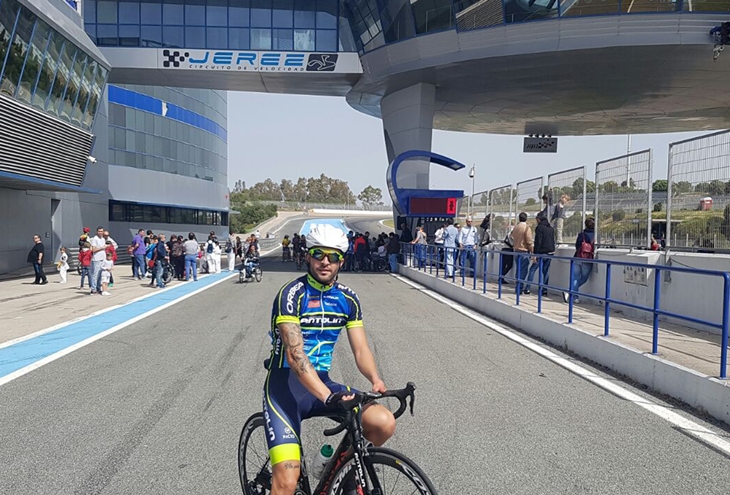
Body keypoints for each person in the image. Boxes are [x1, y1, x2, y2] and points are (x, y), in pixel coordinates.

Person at [263, 224, 395, 495]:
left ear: (341, 261)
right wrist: (327, 396)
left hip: (322, 383)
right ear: (308, 257)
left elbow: (360, 350)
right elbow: (295, 354)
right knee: (287, 483)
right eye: (318, 254)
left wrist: (375, 379)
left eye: (332, 257)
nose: (325, 261)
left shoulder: (348, 299)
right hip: (285, 388)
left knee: (383, 422)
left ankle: (338, 473)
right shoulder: (291, 294)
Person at [563, 218, 595, 304]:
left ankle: (573, 296)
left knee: (575, 278)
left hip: (577, 257)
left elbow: (577, 246)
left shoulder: (582, 234)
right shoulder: (595, 235)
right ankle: (570, 292)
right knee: (584, 278)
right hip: (587, 260)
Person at [523, 212, 555, 296]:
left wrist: (535, 254)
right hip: (550, 252)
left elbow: (538, 242)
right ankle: (544, 290)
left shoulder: (539, 228)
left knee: (532, 269)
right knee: (546, 271)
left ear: (539, 219)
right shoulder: (550, 228)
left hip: (541, 253)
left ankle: (528, 288)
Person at [511, 212, 533, 294]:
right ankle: (519, 289)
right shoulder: (526, 228)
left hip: (516, 250)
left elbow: (512, 236)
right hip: (523, 251)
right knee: (523, 271)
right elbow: (529, 241)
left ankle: (517, 287)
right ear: (526, 218)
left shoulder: (516, 227)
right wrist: (532, 251)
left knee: (518, 270)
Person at [89, 227, 106, 294]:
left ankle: (98, 288)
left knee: (100, 275)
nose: (100, 232)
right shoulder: (95, 239)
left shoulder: (103, 239)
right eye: (99, 231)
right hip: (96, 259)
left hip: (102, 258)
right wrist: (102, 248)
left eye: (102, 231)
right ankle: (93, 289)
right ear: (97, 232)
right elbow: (93, 249)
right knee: (95, 274)